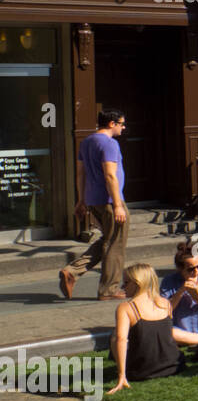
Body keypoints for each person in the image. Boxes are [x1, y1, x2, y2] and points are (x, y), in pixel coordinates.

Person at [60, 109, 130, 300]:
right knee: (115, 244)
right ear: (111, 124)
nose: (123, 127)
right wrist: (117, 204)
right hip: (109, 200)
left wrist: (82, 200)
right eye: (121, 123)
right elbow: (110, 175)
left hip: (93, 200)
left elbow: (80, 173)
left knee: (108, 239)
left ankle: (72, 271)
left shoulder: (87, 142)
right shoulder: (109, 144)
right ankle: (109, 289)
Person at [108, 263, 198, 394]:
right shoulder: (164, 303)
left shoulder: (126, 307)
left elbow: (121, 340)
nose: (123, 287)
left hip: (142, 372)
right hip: (175, 365)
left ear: (137, 283)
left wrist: (121, 375)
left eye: (126, 282)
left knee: (114, 336)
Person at [159, 242, 198, 334]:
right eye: (191, 269)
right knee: (171, 333)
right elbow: (165, 310)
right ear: (180, 268)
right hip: (180, 329)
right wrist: (181, 291)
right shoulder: (168, 282)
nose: (196, 271)